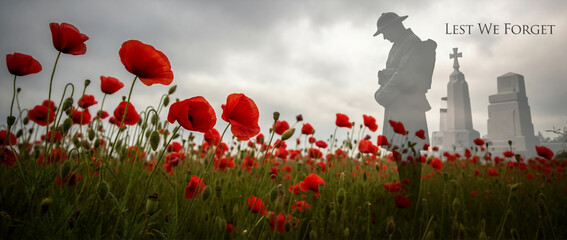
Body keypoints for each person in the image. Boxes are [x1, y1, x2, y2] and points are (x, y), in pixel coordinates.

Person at [373, 12, 436, 208]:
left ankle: (411, 200)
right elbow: (396, 74)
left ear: (395, 26)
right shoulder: (397, 45)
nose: (383, 37)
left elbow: (404, 75)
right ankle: (407, 196)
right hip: (398, 106)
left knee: (408, 152)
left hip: (408, 109)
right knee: (401, 153)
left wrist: (381, 94)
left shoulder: (411, 42)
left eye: (384, 32)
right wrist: (387, 77)